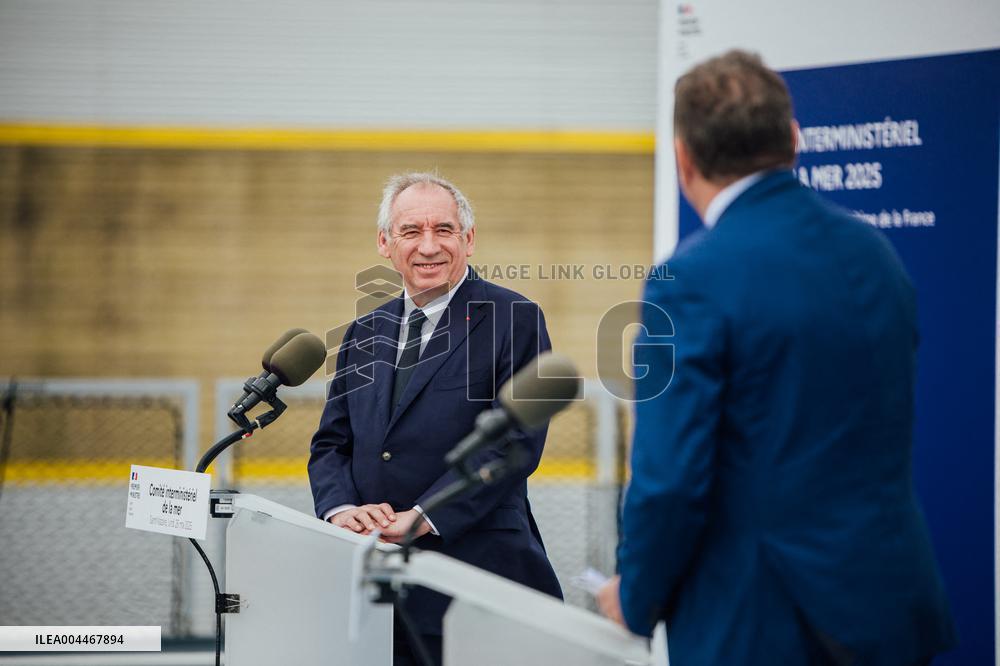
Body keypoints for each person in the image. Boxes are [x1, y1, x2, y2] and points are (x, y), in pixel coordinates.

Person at [597, 50, 956, 665]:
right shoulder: (874, 254)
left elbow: (669, 481)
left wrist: (637, 596)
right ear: (793, 139)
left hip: (761, 621)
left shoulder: (689, 280)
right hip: (888, 607)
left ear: (684, 158)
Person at [308, 172, 562, 666]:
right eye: (411, 231)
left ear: (469, 238)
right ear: (385, 243)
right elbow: (332, 444)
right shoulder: (363, 332)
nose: (429, 246)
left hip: (477, 579)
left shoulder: (514, 317)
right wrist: (343, 509)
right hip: (377, 585)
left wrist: (423, 516)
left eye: (444, 229)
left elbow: (514, 441)